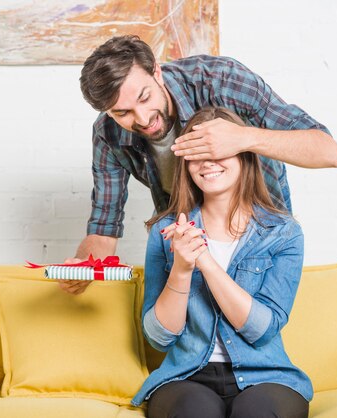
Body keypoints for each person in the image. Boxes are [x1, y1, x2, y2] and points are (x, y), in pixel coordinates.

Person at [61, 34, 337, 295]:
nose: (143, 118)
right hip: (188, 240)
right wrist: (84, 266)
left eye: (145, 97)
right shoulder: (108, 133)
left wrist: (242, 138)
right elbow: (104, 226)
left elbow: (328, 151)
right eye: (123, 113)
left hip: (259, 230)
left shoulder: (219, 81)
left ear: (156, 72)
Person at [131, 107, 311, 418]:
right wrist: (182, 269)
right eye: (197, 154)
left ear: (243, 155)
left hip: (266, 377)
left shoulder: (283, 234)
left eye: (217, 150)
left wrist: (205, 261)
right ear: (186, 166)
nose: (208, 163)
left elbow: (261, 330)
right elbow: (159, 338)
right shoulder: (166, 233)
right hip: (186, 377)